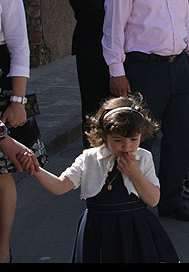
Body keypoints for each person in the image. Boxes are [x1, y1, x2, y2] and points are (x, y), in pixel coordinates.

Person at [102, 0, 189, 222]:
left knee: (181, 135)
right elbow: (113, 30)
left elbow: (184, 21)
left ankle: (170, 200)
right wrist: (116, 71)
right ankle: (135, 203)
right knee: (139, 140)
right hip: (144, 70)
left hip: (178, 67)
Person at [25, 93, 180, 262]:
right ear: (104, 136)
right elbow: (60, 186)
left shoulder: (143, 158)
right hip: (98, 229)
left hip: (134, 229)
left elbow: (153, 200)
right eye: (118, 140)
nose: (127, 146)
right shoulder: (90, 158)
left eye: (133, 139)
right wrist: (36, 169)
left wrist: (135, 174)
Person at [0, 0, 47, 263]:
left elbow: (18, 44)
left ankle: (2, 247)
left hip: (3, 81)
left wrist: (17, 100)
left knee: (1, 176)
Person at [70, 0, 112, 149]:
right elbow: (99, 16)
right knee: (93, 102)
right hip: (91, 51)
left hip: (106, 50)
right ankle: (92, 147)